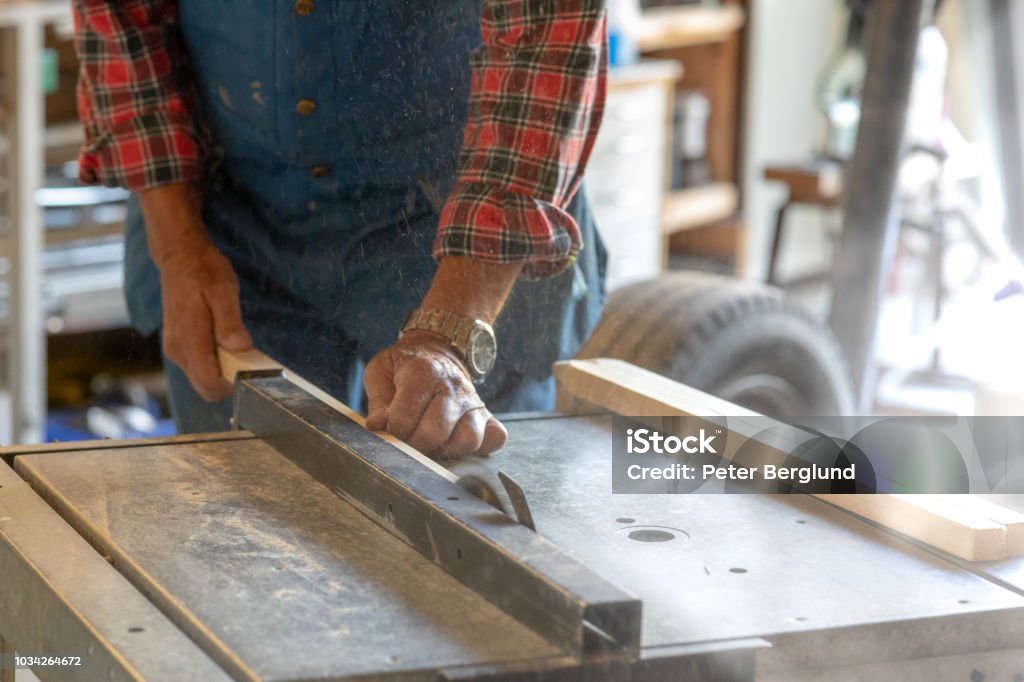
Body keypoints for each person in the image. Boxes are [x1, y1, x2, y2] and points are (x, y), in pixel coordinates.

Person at [73, 0, 608, 458]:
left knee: (464, 526)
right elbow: (120, 23)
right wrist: (178, 248)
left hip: (464, 217)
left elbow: (544, 45)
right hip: (229, 214)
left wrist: (453, 331)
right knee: (244, 520)